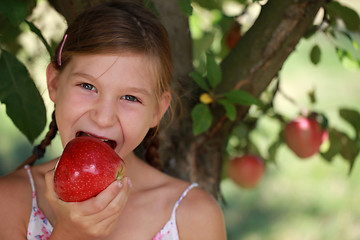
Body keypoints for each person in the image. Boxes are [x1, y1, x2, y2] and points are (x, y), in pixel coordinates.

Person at [0, 1, 227, 239]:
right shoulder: (10, 202)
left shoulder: (194, 218)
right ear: (55, 84)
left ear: (156, 111)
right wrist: (70, 233)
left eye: (130, 97)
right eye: (87, 86)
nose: (104, 117)